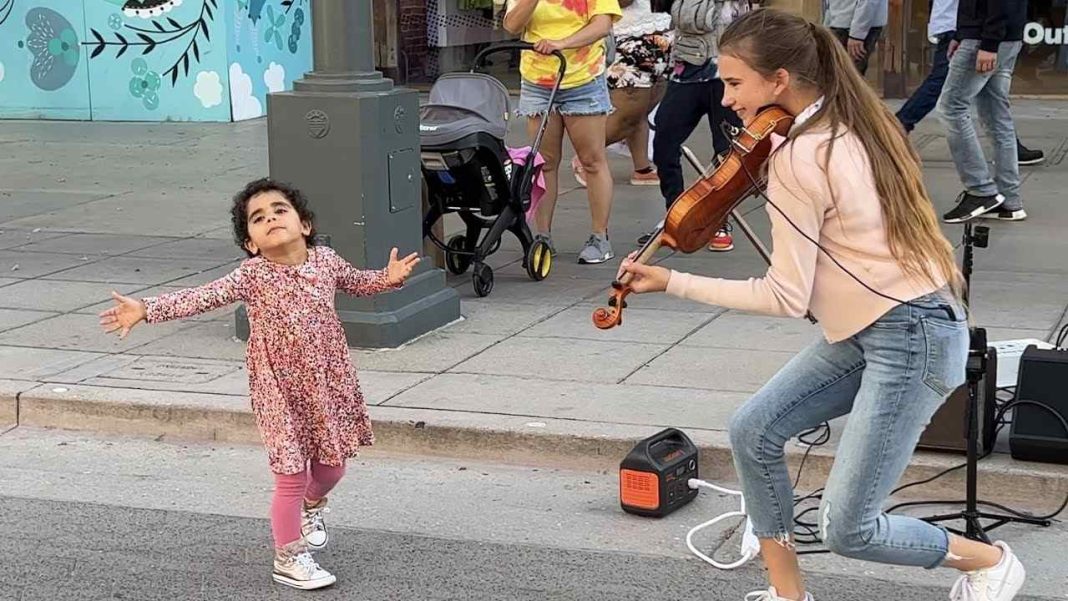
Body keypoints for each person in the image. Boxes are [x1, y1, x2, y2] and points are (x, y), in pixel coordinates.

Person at [618, 9, 1026, 601]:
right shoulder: (849, 121)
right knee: (753, 429)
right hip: (883, 323)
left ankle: (989, 561)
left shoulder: (800, 157)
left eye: (734, 84)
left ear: (779, 81)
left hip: (909, 333)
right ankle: (790, 597)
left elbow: (784, 296)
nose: (726, 99)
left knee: (848, 530)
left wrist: (671, 282)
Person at [98, 178, 420, 591]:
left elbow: (358, 283)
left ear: (304, 224)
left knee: (332, 467)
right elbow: (201, 297)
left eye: (279, 210)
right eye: (258, 218)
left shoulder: (326, 261)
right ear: (250, 242)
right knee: (289, 472)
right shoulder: (251, 276)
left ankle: (312, 503)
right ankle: (289, 555)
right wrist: (146, 309)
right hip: (277, 390)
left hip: (327, 383)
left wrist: (389, 278)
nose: (270, 219)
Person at [504, 0, 623, 265]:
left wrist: (563, 43)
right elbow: (511, 25)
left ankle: (599, 236)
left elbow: (602, 25)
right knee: (543, 162)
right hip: (537, 79)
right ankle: (543, 236)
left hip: (583, 78)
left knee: (592, 160)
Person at [639, 0, 755, 253]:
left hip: (727, 74)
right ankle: (676, 214)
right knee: (664, 143)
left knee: (726, 151)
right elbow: (687, 19)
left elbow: (701, 20)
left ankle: (717, 220)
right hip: (687, 70)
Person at [895, 0, 1043, 166]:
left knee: (991, 101)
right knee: (949, 97)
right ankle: (898, 126)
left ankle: (1006, 162)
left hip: (969, 27)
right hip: (966, 28)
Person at [938, 0, 1029, 223]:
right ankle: (1009, 200)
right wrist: (961, 35)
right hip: (1001, 36)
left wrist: (988, 43)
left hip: (984, 37)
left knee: (951, 108)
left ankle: (981, 190)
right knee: (996, 114)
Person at [572, 0, 673, 188]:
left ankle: (641, 167)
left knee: (643, 108)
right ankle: (586, 156)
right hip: (628, 34)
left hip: (660, 28)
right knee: (628, 112)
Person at [824, 0, 887, 76]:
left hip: (855, 25)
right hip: (837, 20)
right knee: (835, 75)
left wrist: (857, 35)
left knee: (850, 77)